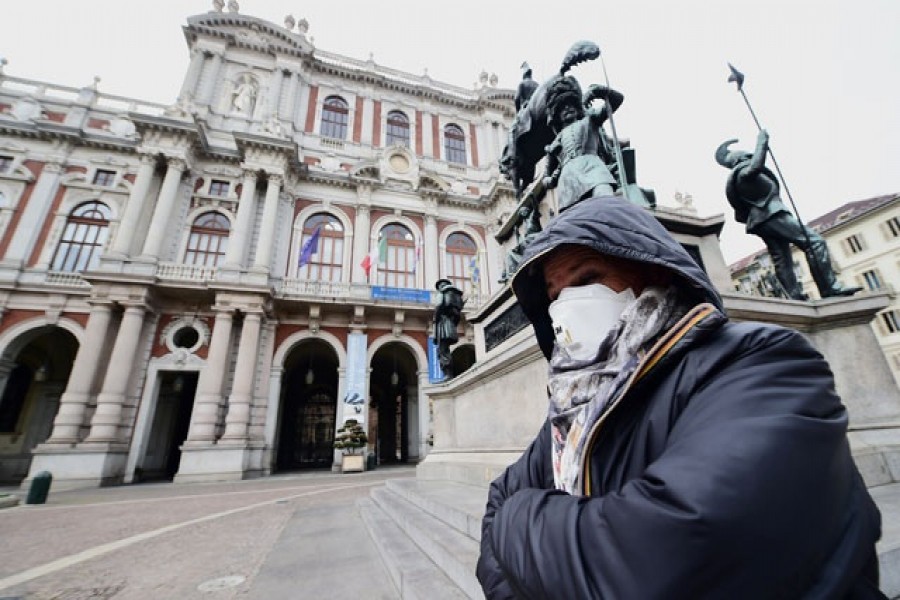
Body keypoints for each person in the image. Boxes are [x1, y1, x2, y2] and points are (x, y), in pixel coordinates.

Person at [476, 195, 883, 598]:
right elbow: (496, 503)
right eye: (554, 295)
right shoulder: (575, 407)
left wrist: (516, 519)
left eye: (586, 279)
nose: (567, 305)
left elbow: (654, 565)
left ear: (655, 273)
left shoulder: (763, 363)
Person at [716, 130, 861, 300]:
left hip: (762, 221)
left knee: (782, 260)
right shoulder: (743, 174)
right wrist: (762, 142)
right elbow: (756, 166)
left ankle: (795, 297)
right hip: (770, 215)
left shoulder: (739, 178)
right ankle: (829, 288)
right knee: (814, 242)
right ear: (741, 159)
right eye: (748, 155)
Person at [542, 77, 622, 211]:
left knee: (607, 203)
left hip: (593, 168)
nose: (567, 108)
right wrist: (552, 179)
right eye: (562, 108)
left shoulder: (590, 120)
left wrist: (598, 91)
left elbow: (617, 100)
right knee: (575, 220)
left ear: (577, 107)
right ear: (557, 115)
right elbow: (545, 179)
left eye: (570, 104)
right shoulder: (554, 144)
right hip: (568, 180)